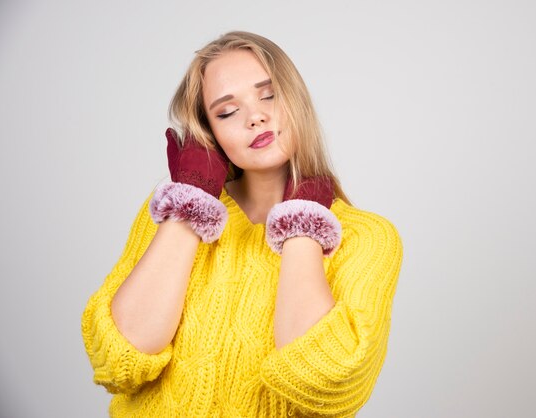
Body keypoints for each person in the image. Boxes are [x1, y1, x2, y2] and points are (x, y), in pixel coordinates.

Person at [81, 30, 403, 417]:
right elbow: (118, 362)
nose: (256, 117)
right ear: (209, 132)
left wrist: (303, 225)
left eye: (269, 94)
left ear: (297, 99)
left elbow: (324, 381)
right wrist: (190, 205)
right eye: (227, 111)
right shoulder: (170, 217)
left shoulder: (366, 238)